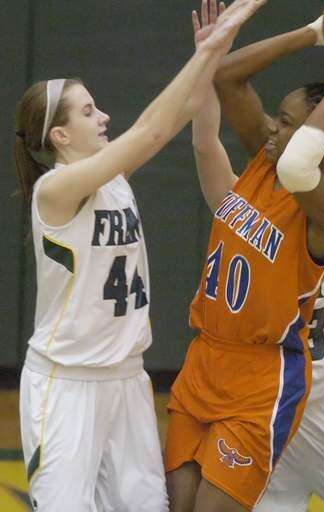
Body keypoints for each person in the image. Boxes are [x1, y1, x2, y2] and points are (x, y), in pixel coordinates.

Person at [14, 1, 266, 510]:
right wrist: (211, 50)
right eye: (89, 111)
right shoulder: (55, 190)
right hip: (67, 385)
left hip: (127, 379)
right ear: (60, 136)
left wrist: (209, 55)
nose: (103, 116)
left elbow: (182, 112)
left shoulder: (115, 179)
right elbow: (150, 128)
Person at [164, 5, 324, 511]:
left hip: (262, 375)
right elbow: (228, 76)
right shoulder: (262, 161)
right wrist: (315, 33)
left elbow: (307, 167)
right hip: (206, 359)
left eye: (287, 121)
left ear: (319, 135)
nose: (272, 126)